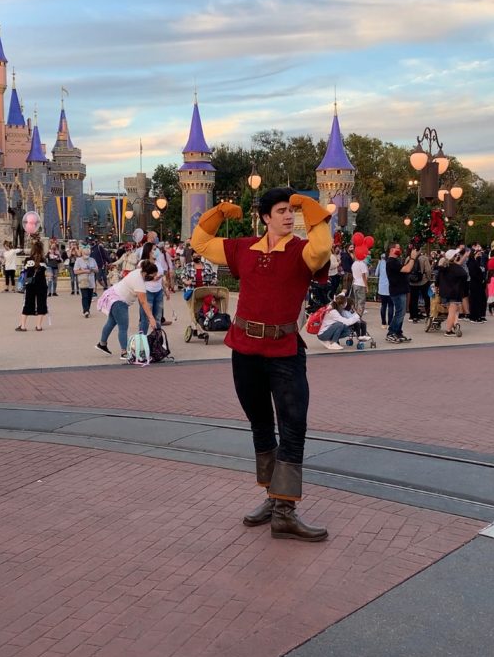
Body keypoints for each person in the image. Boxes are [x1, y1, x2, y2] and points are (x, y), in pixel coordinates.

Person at [191, 188, 331, 542]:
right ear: (266, 217)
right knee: (261, 426)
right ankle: (273, 497)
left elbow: (322, 249)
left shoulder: (301, 251)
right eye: (282, 211)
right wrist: (218, 212)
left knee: (293, 427)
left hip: (285, 351)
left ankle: (285, 511)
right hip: (245, 350)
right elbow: (200, 242)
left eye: (292, 211)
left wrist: (310, 207)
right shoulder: (244, 248)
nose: (289, 217)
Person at [96, 259, 159, 359]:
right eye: (153, 275)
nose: (155, 277)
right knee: (123, 326)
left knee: (111, 322)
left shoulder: (138, 271)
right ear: (146, 273)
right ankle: (124, 352)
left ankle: (102, 344)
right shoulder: (139, 282)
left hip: (113, 295)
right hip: (119, 301)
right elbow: (143, 302)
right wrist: (151, 318)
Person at [385, 242, 418, 343]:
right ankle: (391, 333)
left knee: (401, 313)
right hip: (397, 291)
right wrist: (412, 258)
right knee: (400, 313)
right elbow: (407, 269)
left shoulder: (396, 261)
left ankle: (398, 332)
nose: (400, 250)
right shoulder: (391, 262)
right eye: (398, 248)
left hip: (401, 290)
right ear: (392, 250)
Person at [138, 241, 170, 334]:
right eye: (154, 249)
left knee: (158, 317)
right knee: (145, 319)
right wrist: (152, 278)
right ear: (148, 251)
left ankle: (157, 338)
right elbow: (140, 277)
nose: (156, 251)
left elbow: (161, 276)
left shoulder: (158, 262)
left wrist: (166, 289)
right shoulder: (143, 263)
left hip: (158, 291)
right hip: (147, 292)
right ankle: (142, 339)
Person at [16, 241, 48, 331]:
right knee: (41, 304)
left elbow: (24, 272)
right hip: (41, 284)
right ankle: (38, 326)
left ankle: (23, 326)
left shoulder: (28, 260)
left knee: (27, 304)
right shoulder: (43, 260)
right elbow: (46, 272)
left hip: (30, 284)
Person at [438, 249, 466, 335]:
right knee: (452, 312)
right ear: (454, 257)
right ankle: (448, 330)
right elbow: (465, 276)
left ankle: (454, 324)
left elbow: (437, 280)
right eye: (456, 255)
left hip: (444, 293)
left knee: (453, 311)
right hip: (454, 293)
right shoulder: (456, 268)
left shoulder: (442, 268)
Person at [408, 246, 432, 322]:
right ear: (420, 250)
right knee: (426, 298)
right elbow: (428, 270)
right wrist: (428, 278)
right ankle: (428, 313)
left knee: (413, 299)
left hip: (412, 282)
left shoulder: (409, 258)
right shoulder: (424, 258)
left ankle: (413, 315)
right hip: (423, 281)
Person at [74, 244, 98, 317]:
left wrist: (92, 269)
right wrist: (84, 271)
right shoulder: (78, 260)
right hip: (83, 281)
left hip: (91, 281)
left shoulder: (92, 260)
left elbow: (97, 270)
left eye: (88, 254)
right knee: (85, 296)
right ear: (82, 253)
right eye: (85, 254)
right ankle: (86, 311)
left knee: (89, 297)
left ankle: (87, 309)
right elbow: (75, 271)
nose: (87, 255)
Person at [466, 247, 487, 322]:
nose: (479, 255)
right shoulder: (472, 262)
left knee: (481, 300)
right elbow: (473, 274)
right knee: (475, 300)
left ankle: (480, 315)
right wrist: (480, 279)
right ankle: (474, 317)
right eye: (478, 254)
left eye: (480, 254)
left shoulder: (478, 262)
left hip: (480, 284)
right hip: (475, 283)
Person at [374, 253, 393, 330]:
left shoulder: (381, 262)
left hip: (382, 287)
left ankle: (383, 323)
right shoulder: (392, 263)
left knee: (383, 305)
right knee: (391, 306)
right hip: (391, 287)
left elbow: (376, 274)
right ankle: (390, 323)